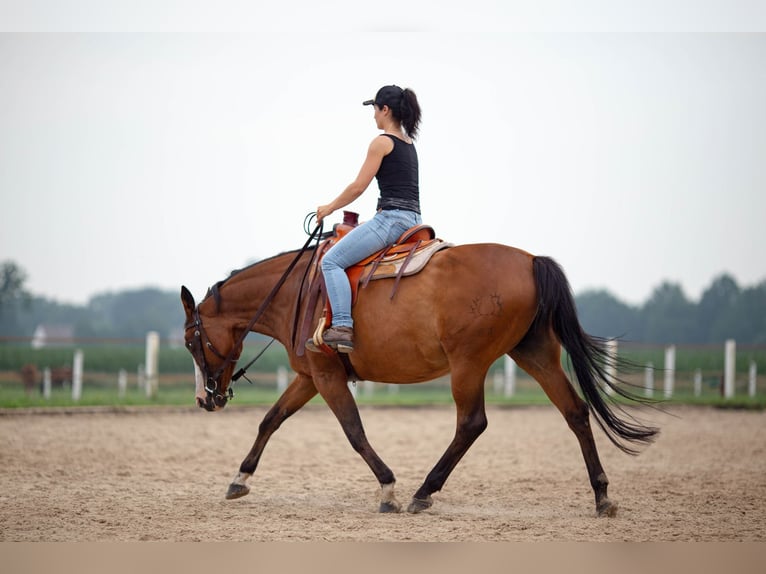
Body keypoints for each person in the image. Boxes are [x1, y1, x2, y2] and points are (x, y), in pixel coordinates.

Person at [310, 85, 423, 353]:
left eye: (374, 109)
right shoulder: (409, 145)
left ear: (385, 110)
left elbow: (358, 186)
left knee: (331, 261)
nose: (373, 115)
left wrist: (329, 207)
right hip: (414, 220)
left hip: (391, 220)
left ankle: (341, 326)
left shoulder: (382, 142)